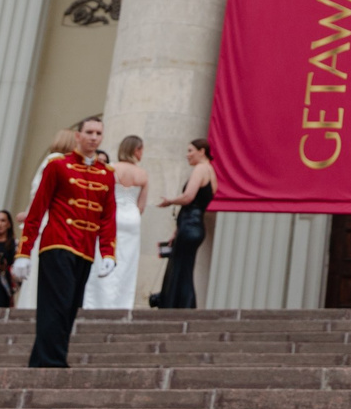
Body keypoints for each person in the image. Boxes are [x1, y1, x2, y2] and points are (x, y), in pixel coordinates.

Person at [15, 116, 117, 367]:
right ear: (78, 136)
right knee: (56, 303)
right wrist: (23, 252)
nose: (94, 137)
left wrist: (108, 253)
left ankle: (45, 359)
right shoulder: (58, 166)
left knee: (70, 305)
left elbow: (107, 218)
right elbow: (37, 211)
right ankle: (52, 360)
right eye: (89, 132)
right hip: (57, 243)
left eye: (98, 133)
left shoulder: (106, 175)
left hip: (84, 249)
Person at [83, 136, 147, 312]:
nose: (142, 153)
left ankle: (98, 303)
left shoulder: (112, 169)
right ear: (135, 150)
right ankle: (121, 304)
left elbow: (102, 197)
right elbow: (141, 205)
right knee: (127, 262)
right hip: (132, 218)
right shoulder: (142, 174)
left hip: (113, 215)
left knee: (103, 256)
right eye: (141, 149)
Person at [152, 138, 216, 310]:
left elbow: (188, 197)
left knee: (180, 269)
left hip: (189, 225)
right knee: (183, 268)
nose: (187, 155)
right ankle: (179, 305)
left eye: (190, 150)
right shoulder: (211, 171)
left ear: (202, 151)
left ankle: (179, 307)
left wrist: (170, 201)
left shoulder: (201, 169)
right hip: (194, 225)